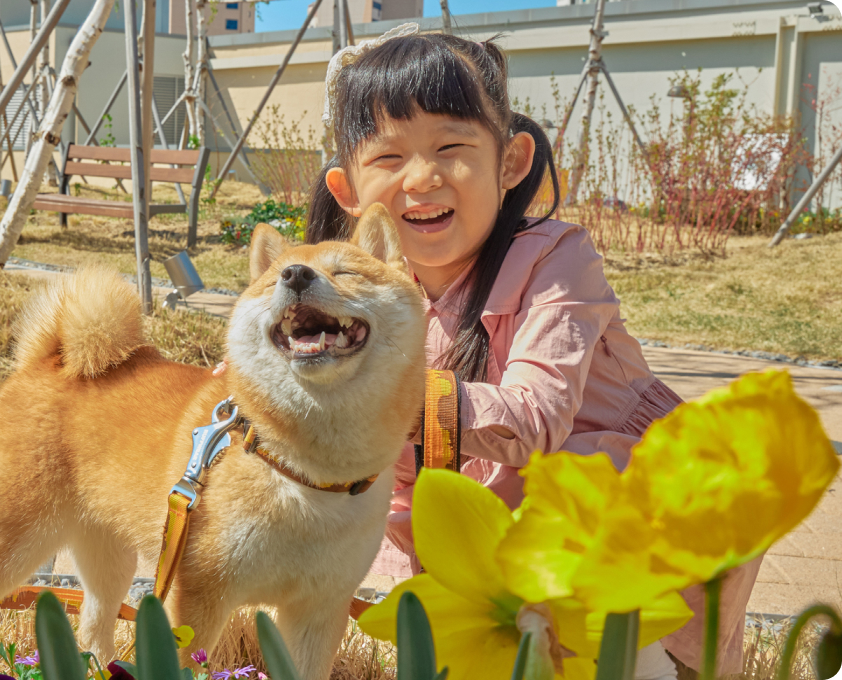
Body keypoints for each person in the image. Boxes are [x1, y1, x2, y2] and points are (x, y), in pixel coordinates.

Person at [299, 24, 758, 680]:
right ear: (348, 190)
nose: (422, 177)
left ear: (509, 162)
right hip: (489, 536)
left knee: (619, 653)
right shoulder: (357, 287)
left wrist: (368, 399)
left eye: (451, 147)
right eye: (389, 158)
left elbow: (535, 420)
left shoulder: (555, 260)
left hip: (619, 510)